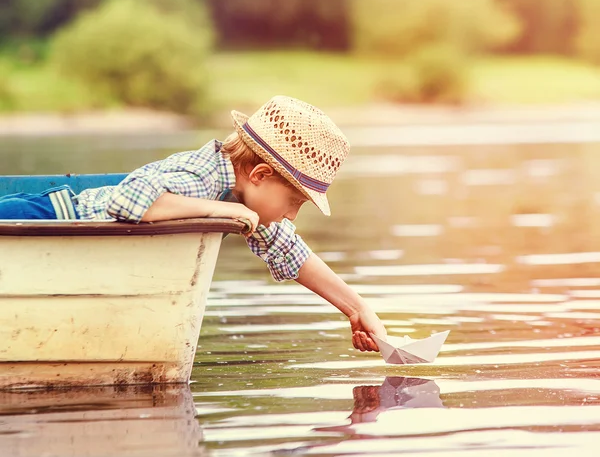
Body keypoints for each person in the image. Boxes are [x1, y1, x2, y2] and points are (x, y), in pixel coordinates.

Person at [0, 95, 387, 351]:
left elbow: (290, 251)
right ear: (260, 175)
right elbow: (125, 201)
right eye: (294, 202)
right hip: (46, 214)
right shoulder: (203, 176)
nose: (290, 215)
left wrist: (356, 308)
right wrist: (222, 212)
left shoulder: (240, 192)